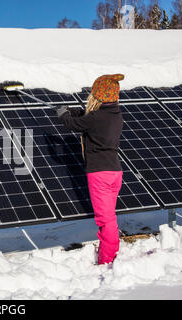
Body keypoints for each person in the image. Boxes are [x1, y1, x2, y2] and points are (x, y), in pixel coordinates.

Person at [56, 74, 125, 265]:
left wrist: (63, 114)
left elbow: (73, 124)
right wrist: (73, 110)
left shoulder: (95, 117)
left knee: (105, 219)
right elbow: (86, 118)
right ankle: (110, 252)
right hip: (115, 172)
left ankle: (107, 260)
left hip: (100, 174)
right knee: (109, 217)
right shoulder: (115, 115)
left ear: (98, 95)